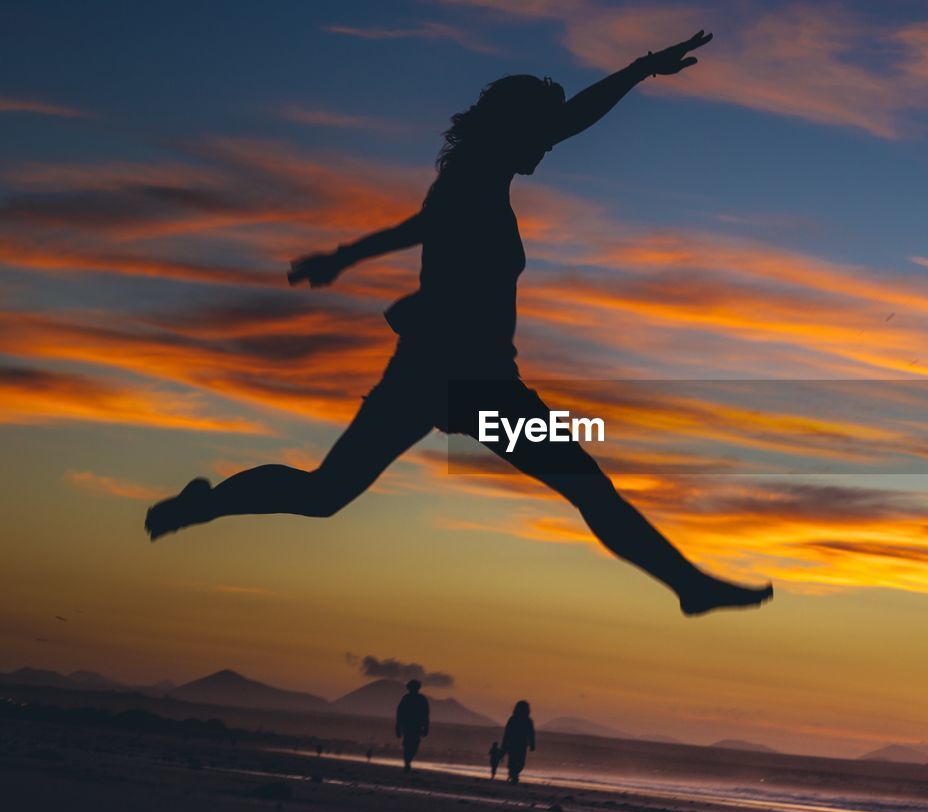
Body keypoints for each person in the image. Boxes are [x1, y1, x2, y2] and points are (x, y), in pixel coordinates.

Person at [142, 30, 771, 618]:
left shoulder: (482, 177)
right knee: (583, 488)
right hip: (466, 377)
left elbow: (560, 127)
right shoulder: (473, 179)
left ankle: (207, 504)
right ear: (515, 129)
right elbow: (432, 220)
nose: (548, 148)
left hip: (451, 374)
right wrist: (345, 257)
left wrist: (639, 71)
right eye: (540, 135)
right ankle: (687, 586)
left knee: (326, 492)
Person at [395, 679, 430, 773]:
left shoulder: (421, 699)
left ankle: (407, 762)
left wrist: (426, 727)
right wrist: (398, 727)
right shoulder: (407, 698)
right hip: (409, 726)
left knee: (413, 746)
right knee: (409, 745)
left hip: (415, 726)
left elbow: (426, 714)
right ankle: (407, 763)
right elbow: (400, 713)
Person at [501, 700, 535, 784]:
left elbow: (531, 733)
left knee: (519, 762)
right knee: (515, 761)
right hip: (514, 743)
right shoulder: (514, 719)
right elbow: (507, 732)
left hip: (520, 744)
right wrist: (532, 744)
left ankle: (514, 774)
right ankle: (514, 775)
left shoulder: (526, 720)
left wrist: (532, 744)